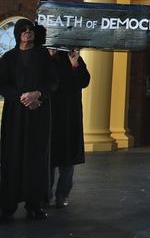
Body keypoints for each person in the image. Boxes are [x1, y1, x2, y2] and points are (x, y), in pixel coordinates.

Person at [0, 19, 58, 221]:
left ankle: (35, 205)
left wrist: (37, 94)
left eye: (30, 29)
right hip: (14, 115)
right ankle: (8, 205)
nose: (27, 32)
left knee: (36, 157)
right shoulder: (8, 58)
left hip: (39, 112)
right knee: (12, 155)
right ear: (17, 34)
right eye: (23, 30)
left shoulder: (44, 56)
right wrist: (22, 97)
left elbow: (53, 82)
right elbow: (2, 85)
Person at [48, 48, 90, 208]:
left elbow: (84, 81)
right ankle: (46, 195)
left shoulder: (72, 57)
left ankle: (62, 195)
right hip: (49, 113)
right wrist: (50, 58)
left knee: (67, 158)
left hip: (69, 114)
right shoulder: (44, 57)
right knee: (48, 158)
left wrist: (74, 63)